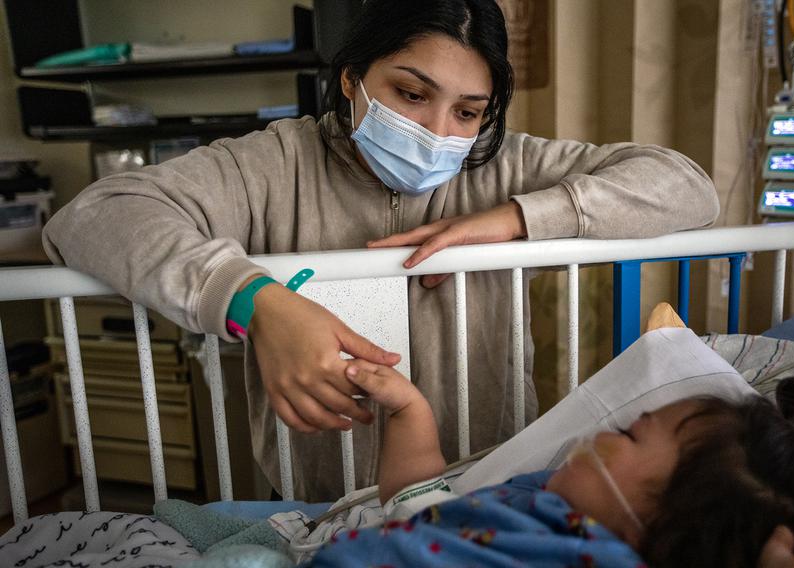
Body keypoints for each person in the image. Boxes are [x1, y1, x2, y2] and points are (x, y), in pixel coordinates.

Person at [41, 0, 720, 500]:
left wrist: (516, 218)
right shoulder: (269, 166)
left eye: (467, 110)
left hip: (487, 479)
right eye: (410, 93)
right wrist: (254, 302)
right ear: (351, 79)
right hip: (326, 500)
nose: (436, 130)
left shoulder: (504, 165)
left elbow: (688, 189)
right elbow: (95, 214)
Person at [304, 358, 794, 567]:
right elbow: (420, 507)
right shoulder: (535, 500)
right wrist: (410, 410)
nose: (603, 431)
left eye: (630, 433)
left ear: (670, 521)